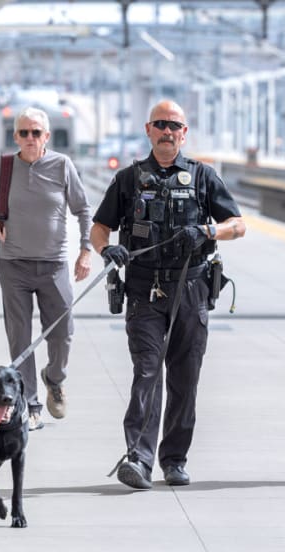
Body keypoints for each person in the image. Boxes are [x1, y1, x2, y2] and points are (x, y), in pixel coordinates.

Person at [91, 100, 246, 489]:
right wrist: (106, 250)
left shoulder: (203, 177)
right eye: (160, 124)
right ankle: (138, 460)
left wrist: (209, 232)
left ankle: (173, 460)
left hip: (191, 289)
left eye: (174, 125)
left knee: (184, 378)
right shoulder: (128, 180)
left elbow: (238, 225)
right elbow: (99, 228)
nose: (167, 131)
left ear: (184, 133)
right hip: (144, 290)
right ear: (148, 130)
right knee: (146, 372)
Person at [0, 106, 92, 431]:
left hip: (54, 265)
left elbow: (83, 209)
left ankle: (54, 378)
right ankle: (32, 405)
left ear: (46, 137)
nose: (29, 138)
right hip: (14, 266)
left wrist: (86, 250)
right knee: (20, 340)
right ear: (15, 136)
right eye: (23, 133)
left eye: (35, 132)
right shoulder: (5, 167)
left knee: (63, 333)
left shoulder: (62, 165)